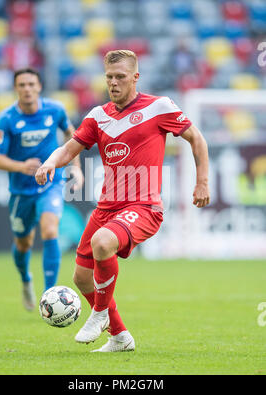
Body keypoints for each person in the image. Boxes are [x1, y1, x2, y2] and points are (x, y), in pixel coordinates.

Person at [35, 50, 210, 352]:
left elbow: (196, 138)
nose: (113, 83)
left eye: (120, 77)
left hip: (144, 207)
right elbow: (69, 149)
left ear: (135, 78)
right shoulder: (98, 116)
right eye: (109, 78)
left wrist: (202, 181)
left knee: (103, 242)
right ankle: (120, 337)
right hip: (107, 208)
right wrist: (51, 162)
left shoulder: (159, 107)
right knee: (81, 277)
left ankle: (100, 314)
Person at [0, 67, 83, 311]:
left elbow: (72, 135)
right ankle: (25, 280)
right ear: (16, 89)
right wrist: (21, 166)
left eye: (31, 84)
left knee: (50, 229)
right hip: (22, 191)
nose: (27, 89)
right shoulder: (7, 119)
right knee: (23, 244)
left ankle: (49, 294)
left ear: (39, 86)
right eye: (22, 85)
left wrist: (76, 167)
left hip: (51, 182)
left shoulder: (55, 110)